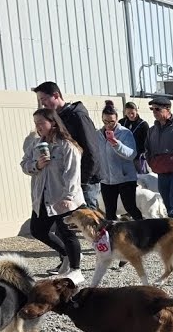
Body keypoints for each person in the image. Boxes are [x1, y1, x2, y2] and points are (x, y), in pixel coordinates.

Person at [20, 107, 85, 282]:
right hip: (42, 197)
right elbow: (24, 164)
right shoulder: (35, 144)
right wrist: (37, 165)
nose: (38, 127)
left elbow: (73, 174)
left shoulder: (67, 146)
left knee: (67, 233)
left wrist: (68, 198)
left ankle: (76, 270)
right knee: (38, 230)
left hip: (63, 198)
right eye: (35, 124)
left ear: (53, 123)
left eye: (41, 123)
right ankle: (64, 254)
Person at [33, 81, 101, 208]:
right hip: (66, 182)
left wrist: (83, 179)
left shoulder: (77, 116)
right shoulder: (56, 119)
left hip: (84, 181)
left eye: (44, 99)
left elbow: (91, 149)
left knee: (88, 222)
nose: (43, 104)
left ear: (56, 95)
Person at [96, 100, 141, 221]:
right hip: (107, 179)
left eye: (112, 121)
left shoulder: (125, 133)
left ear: (117, 119)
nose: (108, 124)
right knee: (109, 211)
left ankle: (144, 230)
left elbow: (132, 154)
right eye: (105, 121)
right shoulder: (98, 134)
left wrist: (117, 144)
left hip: (125, 177)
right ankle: (112, 237)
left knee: (130, 207)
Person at [119, 101, 149, 173]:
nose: (131, 115)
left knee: (142, 178)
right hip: (124, 156)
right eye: (128, 113)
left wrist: (144, 153)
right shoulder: (122, 123)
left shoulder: (143, 125)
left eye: (132, 113)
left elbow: (148, 142)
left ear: (136, 111)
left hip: (138, 158)